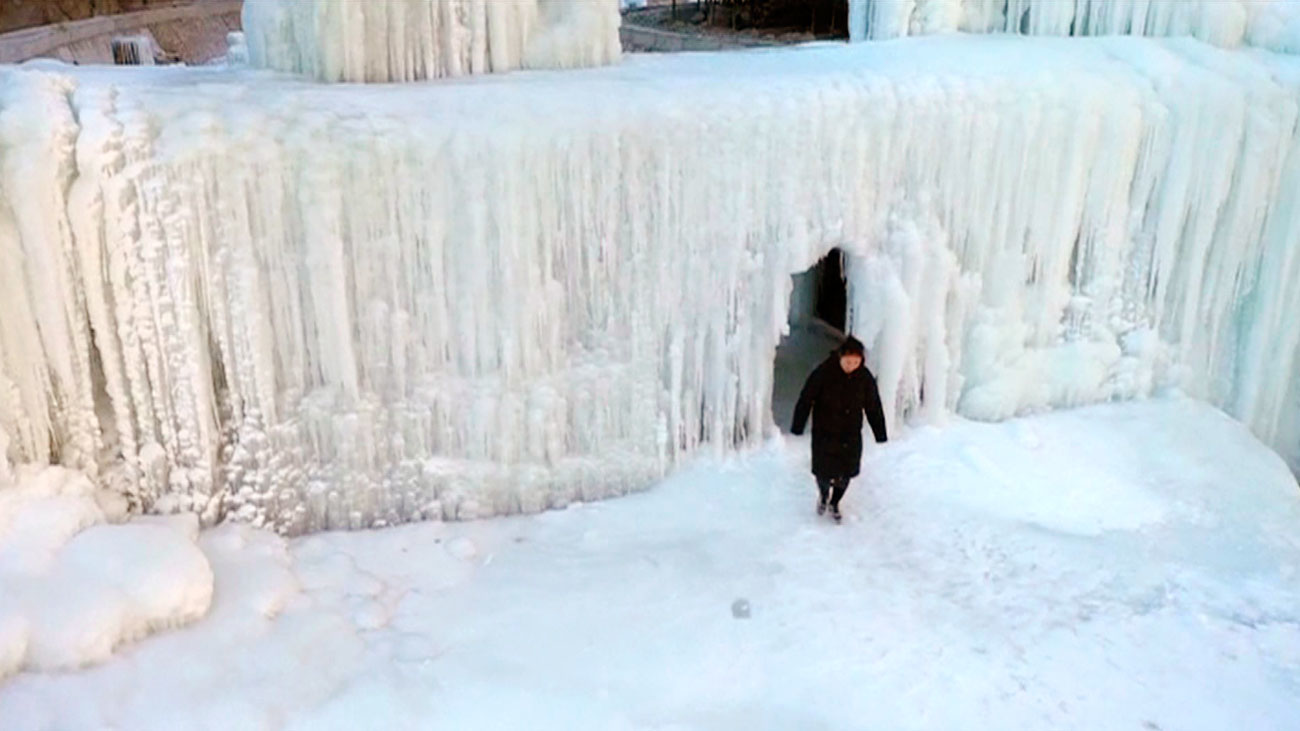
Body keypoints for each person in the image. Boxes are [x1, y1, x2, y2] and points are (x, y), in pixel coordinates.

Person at [790, 336, 888, 523]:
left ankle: (835, 502)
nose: (851, 365)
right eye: (848, 361)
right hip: (825, 432)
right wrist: (798, 425)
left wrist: (880, 433)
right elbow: (806, 398)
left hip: (850, 435)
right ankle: (824, 495)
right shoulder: (823, 372)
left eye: (856, 362)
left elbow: (873, 406)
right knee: (823, 472)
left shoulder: (864, 378)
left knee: (846, 474)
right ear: (840, 357)